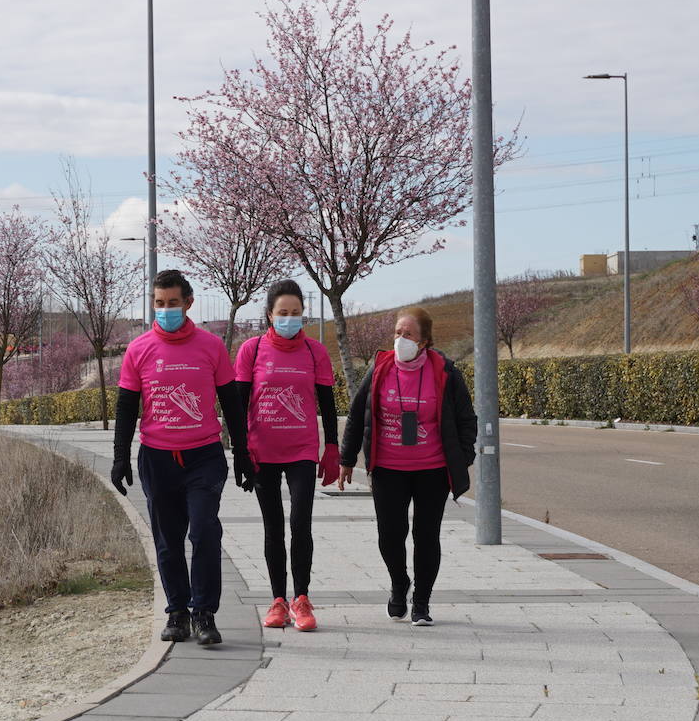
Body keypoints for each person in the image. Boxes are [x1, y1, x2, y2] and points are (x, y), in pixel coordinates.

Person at [113, 269, 251, 647]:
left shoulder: (211, 347)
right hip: (157, 458)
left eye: (173, 303)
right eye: (159, 303)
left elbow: (232, 405)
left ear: (188, 303)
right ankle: (177, 611)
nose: (166, 309)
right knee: (167, 538)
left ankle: (204, 612)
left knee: (205, 530)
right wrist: (120, 457)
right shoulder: (139, 349)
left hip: (203, 456)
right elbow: (126, 407)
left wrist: (242, 453)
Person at [339, 306, 477, 626]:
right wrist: (347, 460)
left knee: (426, 535)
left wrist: (464, 456)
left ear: (425, 341)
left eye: (409, 334)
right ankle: (399, 584)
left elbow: (466, 419)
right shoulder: (380, 368)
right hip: (388, 468)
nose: (401, 340)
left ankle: (422, 602)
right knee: (390, 535)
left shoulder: (445, 371)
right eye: (398, 333)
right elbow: (358, 414)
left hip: (432, 469)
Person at [234, 279, 339, 632]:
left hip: (302, 451)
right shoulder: (251, 350)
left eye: (296, 313)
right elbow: (238, 403)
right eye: (283, 313)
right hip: (263, 451)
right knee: (273, 527)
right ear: (269, 314)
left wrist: (333, 448)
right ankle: (278, 599)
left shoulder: (314, 352)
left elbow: (327, 403)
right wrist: (240, 450)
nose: (289, 319)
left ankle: (302, 599)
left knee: (300, 524)